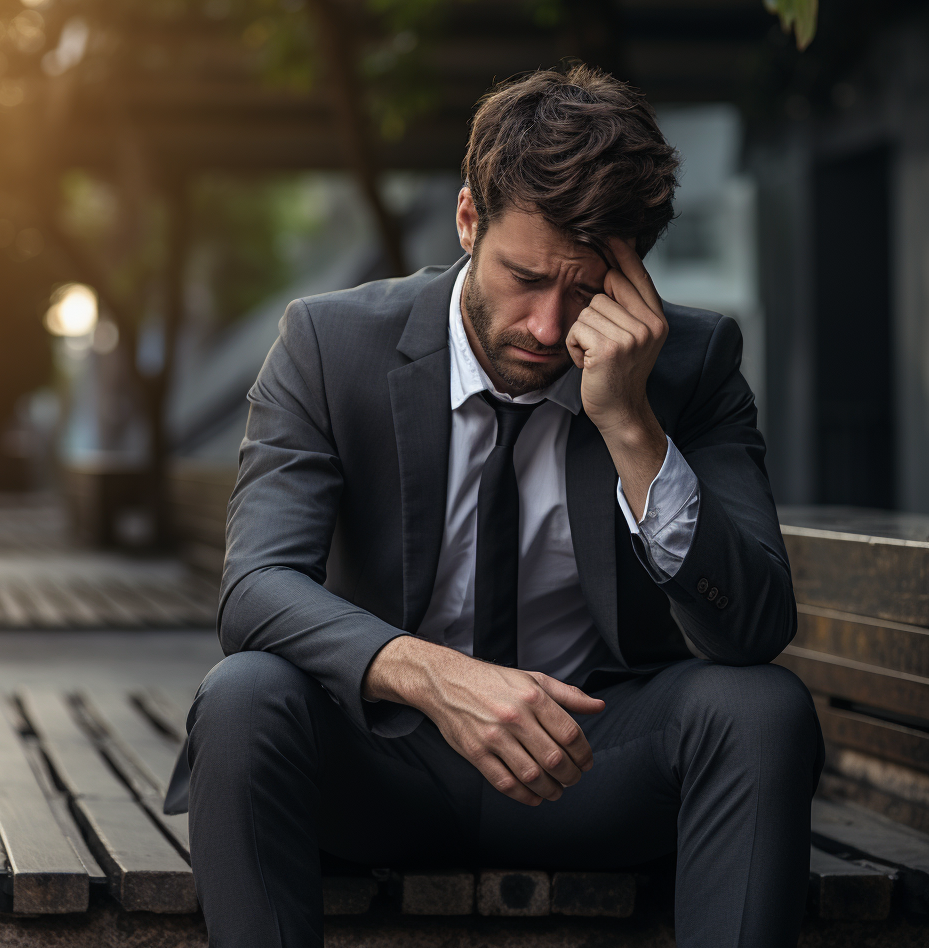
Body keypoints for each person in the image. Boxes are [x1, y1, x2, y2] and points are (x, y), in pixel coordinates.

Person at [169, 65, 824, 948]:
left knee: (762, 708)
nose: (549, 328)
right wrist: (441, 681)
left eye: (586, 288)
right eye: (524, 277)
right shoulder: (329, 345)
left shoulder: (689, 366)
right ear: (469, 218)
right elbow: (255, 589)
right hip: (385, 768)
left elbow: (750, 627)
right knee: (244, 695)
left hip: (590, 769)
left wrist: (632, 425)